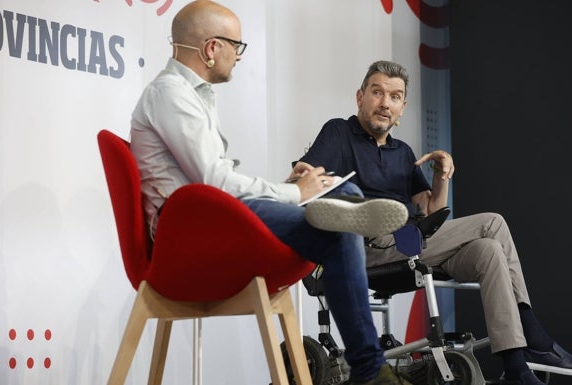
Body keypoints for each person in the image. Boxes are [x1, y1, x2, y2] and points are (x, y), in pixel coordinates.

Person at [129, 2, 415, 385]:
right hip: (189, 233)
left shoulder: (190, 95)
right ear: (212, 48)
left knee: (337, 209)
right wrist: (292, 193)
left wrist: (295, 189)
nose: (239, 56)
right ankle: (369, 369)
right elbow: (214, 181)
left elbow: (213, 182)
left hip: (210, 217)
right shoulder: (171, 94)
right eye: (237, 46)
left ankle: (343, 200)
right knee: (333, 220)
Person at [291, 60, 572, 385]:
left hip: (411, 246)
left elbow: (431, 212)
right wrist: (303, 177)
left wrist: (441, 176)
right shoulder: (340, 131)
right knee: (492, 222)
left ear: (403, 107)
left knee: (489, 250)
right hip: (368, 249)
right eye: (377, 92)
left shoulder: (402, 152)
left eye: (395, 96)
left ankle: (516, 368)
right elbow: (304, 176)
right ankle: (536, 339)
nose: (385, 102)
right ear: (360, 97)